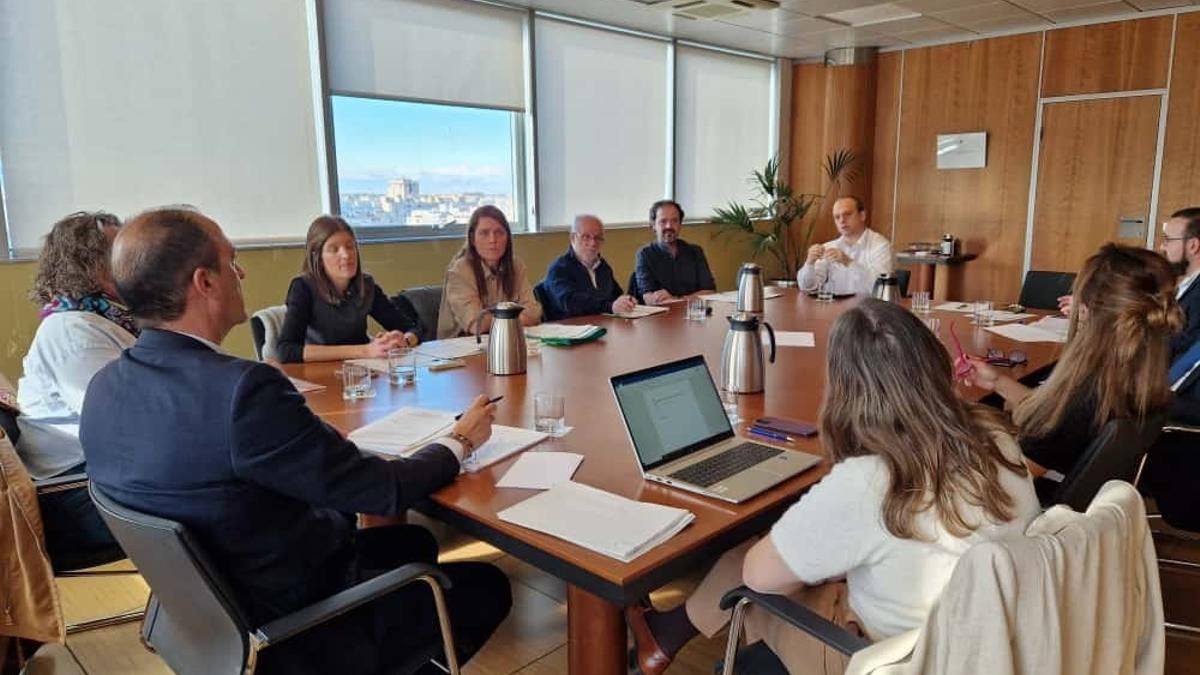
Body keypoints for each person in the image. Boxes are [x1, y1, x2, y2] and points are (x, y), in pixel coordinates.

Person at [80, 207, 511, 675]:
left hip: (211, 617)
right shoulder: (243, 391)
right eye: (231, 262)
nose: (241, 274)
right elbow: (382, 490)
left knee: (412, 542)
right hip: (296, 628)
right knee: (486, 588)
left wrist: (312, 446)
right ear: (204, 282)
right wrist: (459, 440)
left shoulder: (103, 388)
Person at [626, 299, 1038, 675]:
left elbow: (758, 578)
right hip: (997, 643)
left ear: (846, 388)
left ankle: (663, 635)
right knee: (791, 558)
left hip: (889, 657)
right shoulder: (996, 436)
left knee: (746, 565)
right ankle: (662, 636)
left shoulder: (870, 479)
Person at [961, 244, 1181, 499]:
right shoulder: (1134, 381)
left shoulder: (1086, 397)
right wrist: (997, 381)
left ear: (1085, 310)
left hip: (1025, 503)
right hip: (1085, 505)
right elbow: (1056, 416)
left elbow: (1005, 484)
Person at [16, 211, 132, 568]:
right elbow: (122, 427)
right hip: (73, 495)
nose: (136, 258)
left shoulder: (103, 320)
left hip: (94, 475)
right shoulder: (73, 332)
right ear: (89, 265)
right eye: (122, 251)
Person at [276, 215, 420, 363]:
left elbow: (415, 329)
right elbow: (286, 350)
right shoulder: (303, 287)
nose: (346, 255)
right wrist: (364, 350)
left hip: (361, 369)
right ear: (318, 257)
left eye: (350, 246)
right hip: (319, 370)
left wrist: (403, 341)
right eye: (334, 249)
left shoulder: (366, 285)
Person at [437, 205, 542, 338]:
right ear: (472, 239)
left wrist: (495, 319)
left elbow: (533, 314)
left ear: (507, 238)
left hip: (505, 339)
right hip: (461, 345)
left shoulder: (516, 266)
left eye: (499, 233)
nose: (493, 240)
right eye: (484, 233)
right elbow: (477, 324)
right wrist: (516, 316)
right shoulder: (459, 271)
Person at [543, 215, 637, 318]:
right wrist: (609, 307)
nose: (593, 243)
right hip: (570, 325)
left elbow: (616, 295)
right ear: (573, 238)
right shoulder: (559, 269)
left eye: (598, 238)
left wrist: (626, 301)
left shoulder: (602, 267)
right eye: (586, 237)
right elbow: (570, 303)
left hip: (602, 323)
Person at [796, 196, 893, 296]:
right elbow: (808, 287)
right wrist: (809, 263)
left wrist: (848, 262)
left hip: (867, 305)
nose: (842, 220)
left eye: (847, 214)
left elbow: (881, 288)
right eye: (837, 217)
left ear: (862, 216)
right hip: (833, 304)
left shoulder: (881, 246)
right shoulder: (829, 247)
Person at [634, 199, 716, 304]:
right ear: (653, 226)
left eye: (674, 221)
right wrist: (688, 299)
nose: (669, 226)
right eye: (663, 221)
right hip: (662, 313)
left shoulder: (695, 252)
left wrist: (677, 300)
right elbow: (648, 298)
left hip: (693, 312)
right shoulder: (645, 255)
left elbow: (709, 292)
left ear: (680, 225)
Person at [1162, 207, 1200, 359]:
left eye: (1168, 240)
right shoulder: (1185, 284)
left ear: (1193, 246)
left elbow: (1184, 348)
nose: (1162, 247)